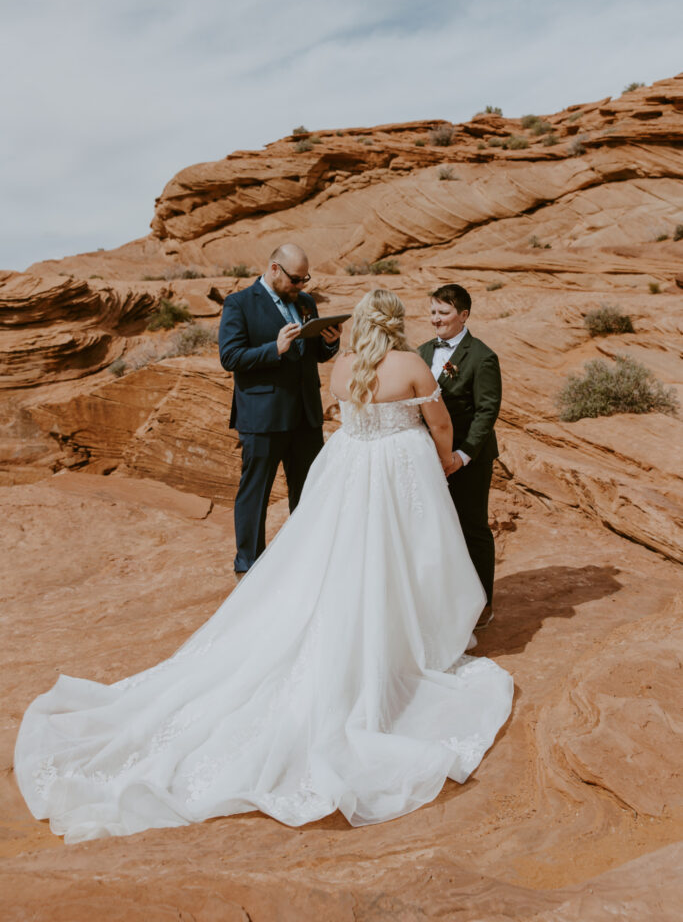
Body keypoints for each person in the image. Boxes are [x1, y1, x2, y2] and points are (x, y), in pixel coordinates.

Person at [14, 289, 513, 844]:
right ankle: (411, 636)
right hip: (399, 469)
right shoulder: (413, 364)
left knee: (340, 555)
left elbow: (346, 416)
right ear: (397, 324)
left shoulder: (344, 366)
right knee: (406, 554)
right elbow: (439, 424)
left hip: (348, 469)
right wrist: (444, 461)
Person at [218, 244, 341, 577]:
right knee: (255, 492)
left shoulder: (307, 302)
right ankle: (249, 567)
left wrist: (329, 342)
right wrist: (274, 348)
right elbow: (230, 357)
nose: (301, 286)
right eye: (296, 279)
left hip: (305, 414)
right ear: (274, 269)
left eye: (305, 279)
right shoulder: (239, 303)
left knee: (309, 491)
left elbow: (314, 354)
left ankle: (305, 560)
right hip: (263, 416)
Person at [418, 285, 502, 628]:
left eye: (444, 313)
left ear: (463, 315)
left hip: (469, 460)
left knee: (472, 528)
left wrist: (462, 455)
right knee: (434, 529)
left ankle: (482, 602)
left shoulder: (482, 356)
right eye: (433, 312)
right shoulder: (421, 352)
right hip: (429, 458)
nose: (436, 319)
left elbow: (486, 412)